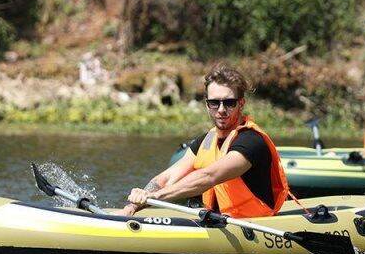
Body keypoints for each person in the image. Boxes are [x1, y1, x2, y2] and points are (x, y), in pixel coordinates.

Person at [122, 63, 289, 218]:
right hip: (219, 220)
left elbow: (209, 176)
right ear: (207, 104)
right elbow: (167, 178)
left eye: (229, 103)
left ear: (241, 103)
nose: (221, 109)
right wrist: (132, 207)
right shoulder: (205, 141)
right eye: (214, 103)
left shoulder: (252, 142)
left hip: (254, 224)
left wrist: (154, 196)